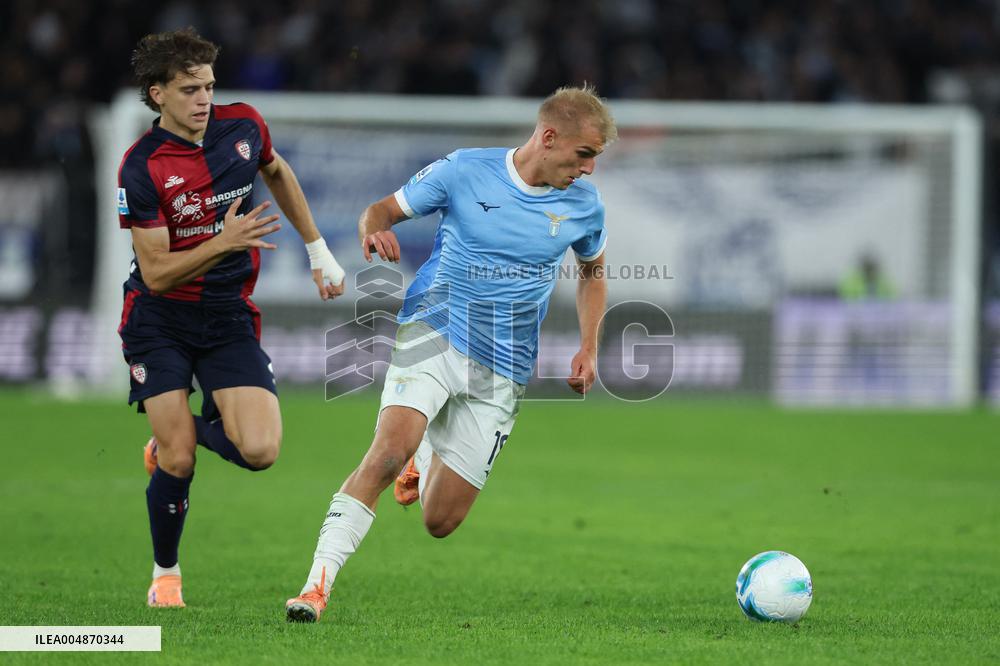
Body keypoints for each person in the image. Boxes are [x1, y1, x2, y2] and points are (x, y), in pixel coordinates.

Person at [285, 85, 615, 622]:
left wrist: (588, 346)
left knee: (440, 521)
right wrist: (376, 233)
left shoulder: (584, 205)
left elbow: (593, 272)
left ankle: (426, 455)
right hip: (434, 330)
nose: (590, 170)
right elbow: (380, 210)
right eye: (585, 155)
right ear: (550, 138)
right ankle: (315, 586)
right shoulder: (465, 170)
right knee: (386, 454)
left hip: (504, 366)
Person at [117, 28, 345, 608]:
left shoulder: (242, 127)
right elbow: (158, 273)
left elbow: (276, 172)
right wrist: (224, 241)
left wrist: (318, 250)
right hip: (159, 320)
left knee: (261, 452)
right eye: (190, 89)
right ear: (157, 94)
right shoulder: (142, 167)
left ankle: (172, 431)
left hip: (226, 317)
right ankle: (165, 574)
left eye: (210, 86)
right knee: (180, 459)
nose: (204, 100)